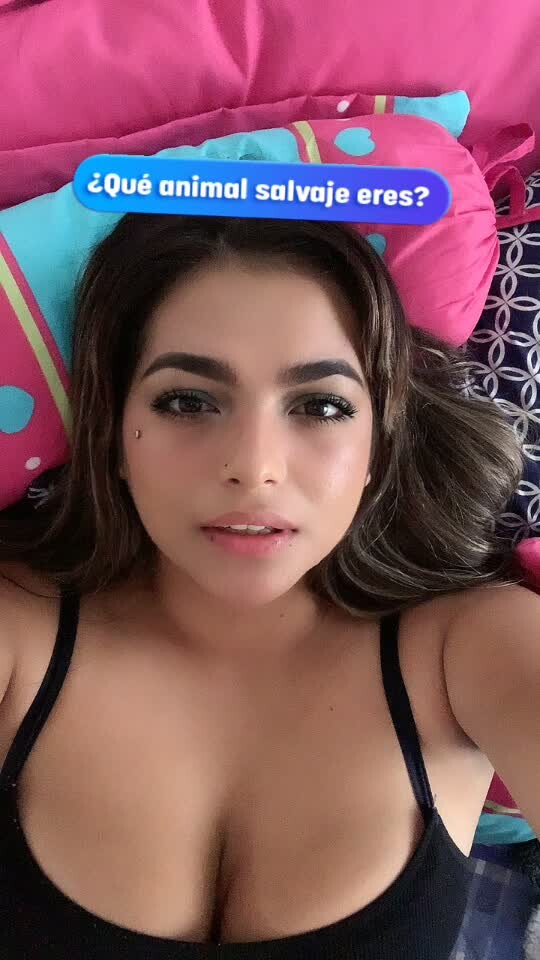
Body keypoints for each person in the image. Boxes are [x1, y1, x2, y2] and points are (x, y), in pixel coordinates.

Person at [0, 214, 536, 959]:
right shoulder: (16, 628)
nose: (254, 468)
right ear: (113, 436)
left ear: (378, 448)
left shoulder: (471, 647)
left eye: (321, 406)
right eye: (187, 401)